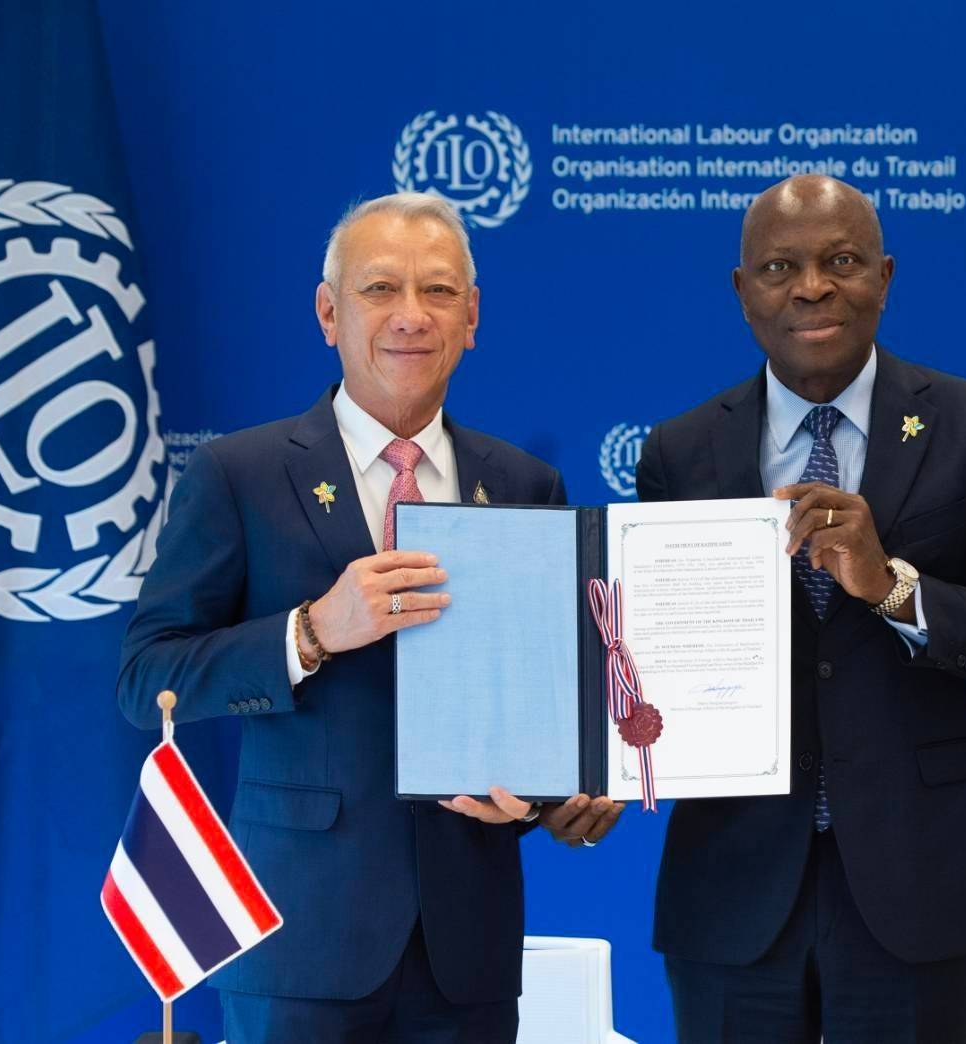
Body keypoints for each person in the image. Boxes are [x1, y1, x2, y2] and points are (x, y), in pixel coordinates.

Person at [118, 191, 621, 1043]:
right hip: (300, 942)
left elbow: (547, 695)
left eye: (439, 291)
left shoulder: (525, 484)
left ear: (472, 317)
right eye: (380, 288)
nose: (411, 316)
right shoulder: (239, 475)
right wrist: (311, 630)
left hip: (468, 949)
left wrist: (548, 799)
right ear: (329, 313)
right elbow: (147, 678)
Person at [638, 174, 966, 1043]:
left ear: (884, 276)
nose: (812, 287)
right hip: (731, 893)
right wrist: (603, 765)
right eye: (780, 267)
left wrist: (894, 588)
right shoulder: (680, 452)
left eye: (841, 261)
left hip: (919, 885)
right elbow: (649, 665)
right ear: (742, 291)